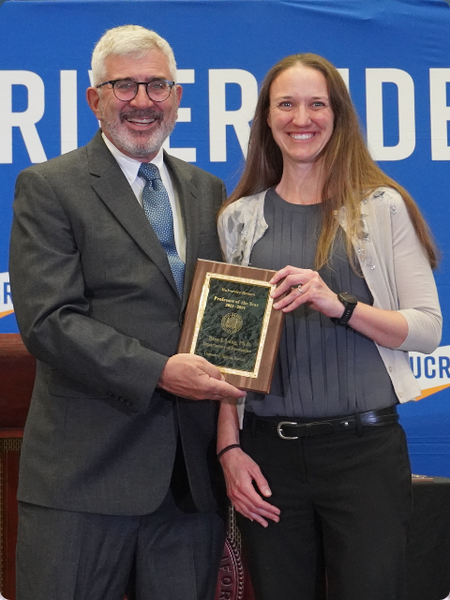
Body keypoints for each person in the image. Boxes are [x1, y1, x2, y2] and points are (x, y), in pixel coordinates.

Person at [9, 24, 245, 600]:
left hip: (190, 489)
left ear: (178, 97)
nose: (143, 101)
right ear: (95, 99)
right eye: (125, 86)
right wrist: (161, 372)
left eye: (157, 86)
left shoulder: (208, 189)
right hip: (83, 481)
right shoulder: (49, 185)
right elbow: (48, 321)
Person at [216, 53, 442, 600]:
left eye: (317, 104)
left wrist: (338, 303)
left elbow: (426, 329)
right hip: (267, 456)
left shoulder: (382, 207)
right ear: (266, 119)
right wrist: (229, 450)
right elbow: (226, 354)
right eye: (286, 104)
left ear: (337, 115)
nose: (302, 118)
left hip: (363, 453)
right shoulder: (238, 220)